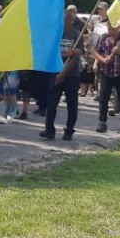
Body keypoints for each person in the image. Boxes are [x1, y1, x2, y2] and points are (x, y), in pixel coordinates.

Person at [40, 8, 82, 141]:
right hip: (55, 71)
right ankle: (49, 129)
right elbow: (51, 53)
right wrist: (66, 54)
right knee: (51, 102)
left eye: (64, 19)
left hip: (72, 75)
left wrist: (63, 74)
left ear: (70, 20)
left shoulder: (77, 35)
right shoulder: (55, 35)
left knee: (72, 104)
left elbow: (77, 56)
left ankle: (69, 131)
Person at [93, 19, 120, 133]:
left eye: (113, 29)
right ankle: (102, 122)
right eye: (109, 28)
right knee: (103, 97)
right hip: (106, 71)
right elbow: (95, 52)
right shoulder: (103, 37)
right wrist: (102, 59)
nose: (110, 31)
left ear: (119, 27)